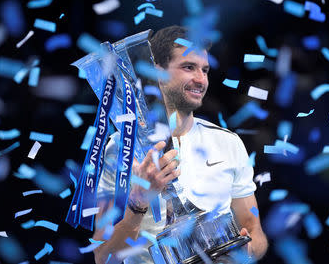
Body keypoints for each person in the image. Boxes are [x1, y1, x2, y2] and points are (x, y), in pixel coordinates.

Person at [92, 25, 268, 264]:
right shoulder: (121, 150)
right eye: (189, 67)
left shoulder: (228, 142)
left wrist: (243, 253)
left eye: (205, 70)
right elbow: (103, 256)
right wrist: (138, 204)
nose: (201, 79)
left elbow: (254, 230)